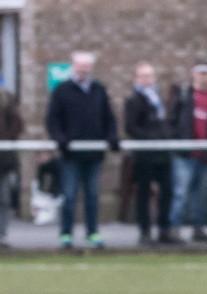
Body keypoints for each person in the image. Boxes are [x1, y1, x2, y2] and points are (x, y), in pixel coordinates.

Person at [44, 51, 119, 249]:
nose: (83, 69)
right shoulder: (62, 90)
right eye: (80, 65)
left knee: (92, 196)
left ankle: (92, 233)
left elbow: (108, 117)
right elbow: (52, 120)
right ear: (73, 66)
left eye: (86, 66)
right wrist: (60, 139)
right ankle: (66, 234)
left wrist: (111, 137)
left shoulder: (98, 90)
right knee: (69, 196)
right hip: (71, 155)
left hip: (94, 155)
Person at [168, 63, 207, 243]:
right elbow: (172, 120)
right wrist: (177, 142)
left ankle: (198, 228)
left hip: (205, 154)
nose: (204, 77)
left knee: (200, 195)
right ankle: (174, 229)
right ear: (194, 74)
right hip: (185, 154)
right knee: (181, 192)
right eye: (201, 74)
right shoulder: (184, 95)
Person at [124, 62, 177, 245]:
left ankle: (164, 229)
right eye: (143, 76)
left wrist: (166, 136)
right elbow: (131, 127)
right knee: (144, 193)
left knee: (167, 192)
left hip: (163, 153)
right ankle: (145, 232)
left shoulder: (158, 99)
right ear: (137, 79)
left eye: (149, 76)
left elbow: (165, 123)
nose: (147, 79)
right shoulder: (133, 100)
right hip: (145, 154)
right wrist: (151, 138)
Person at [0, 84, 24, 249]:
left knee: (4, 199)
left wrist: (4, 141)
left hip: (3, 159)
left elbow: (18, 125)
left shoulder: (6, 98)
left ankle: (1, 235)